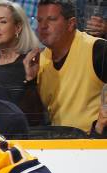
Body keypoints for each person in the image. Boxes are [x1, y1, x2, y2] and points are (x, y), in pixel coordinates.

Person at [23, 0, 107, 132]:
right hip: (60, 145)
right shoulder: (39, 61)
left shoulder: (98, 50)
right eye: (39, 20)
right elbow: (33, 120)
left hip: (95, 144)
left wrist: (99, 129)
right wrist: (30, 80)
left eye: (51, 19)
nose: (43, 26)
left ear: (71, 24)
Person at [0, 0, 46, 125]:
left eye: (2, 22)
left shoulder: (32, 62)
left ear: (18, 27)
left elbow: (35, 118)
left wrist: (30, 80)